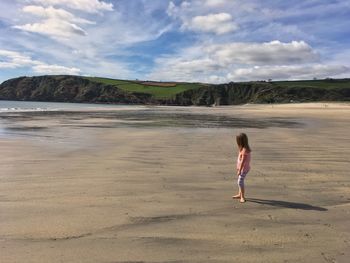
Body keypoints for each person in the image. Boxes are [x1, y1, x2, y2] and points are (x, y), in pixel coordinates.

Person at [233, 133, 251, 203]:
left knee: (240, 182)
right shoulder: (242, 148)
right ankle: (239, 194)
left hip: (244, 169)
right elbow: (240, 159)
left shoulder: (244, 150)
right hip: (242, 168)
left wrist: (239, 170)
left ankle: (242, 196)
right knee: (240, 181)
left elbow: (243, 161)